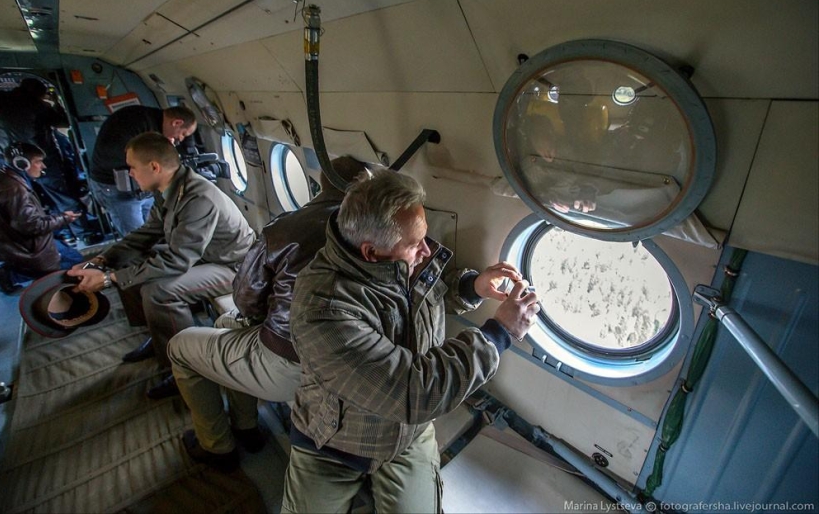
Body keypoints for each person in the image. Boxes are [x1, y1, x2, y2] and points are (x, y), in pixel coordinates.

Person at [281, 168, 540, 513]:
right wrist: (500, 333)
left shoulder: (396, 259)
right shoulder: (323, 309)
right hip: (334, 441)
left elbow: (421, 294)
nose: (426, 251)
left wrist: (471, 286)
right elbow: (413, 391)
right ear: (372, 253)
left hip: (407, 435)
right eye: (415, 244)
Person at [167, 156, 369, 472]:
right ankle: (246, 427)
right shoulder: (378, 236)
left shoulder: (285, 228)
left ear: (319, 183)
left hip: (290, 365)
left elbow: (245, 301)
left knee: (179, 346)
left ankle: (217, 446)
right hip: (349, 358)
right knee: (223, 325)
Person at [68, 132, 255, 399]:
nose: (130, 174)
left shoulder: (198, 197)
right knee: (131, 262)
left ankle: (182, 366)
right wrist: (101, 261)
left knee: (158, 291)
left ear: (154, 167)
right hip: (205, 256)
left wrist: (110, 279)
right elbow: (145, 235)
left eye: (132, 167)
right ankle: (158, 336)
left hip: (236, 267)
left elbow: (178, 260)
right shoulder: (169, 190)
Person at [88, 105, 198, 236]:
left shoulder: (158, 120)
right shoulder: (136, 123)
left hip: (141, 187)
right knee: (137, 236)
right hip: (114, 186)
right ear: (176, 123)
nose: (180, 139)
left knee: (155, 230)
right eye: (183, 134)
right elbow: (125, 156)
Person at [0, 142, 83, 294]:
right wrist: (63, 218)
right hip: (27, 248)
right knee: (75, 262)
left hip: (12, 244)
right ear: (22, 164)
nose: (43, 166)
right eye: (38, 161)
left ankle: (9, 272)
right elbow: (31, 226)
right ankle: (14, 274)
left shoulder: (4, 177)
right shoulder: (15, 190)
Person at [0, 78, 68, 167]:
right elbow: (64, 122)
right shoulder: (37, 106)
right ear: (39, 94)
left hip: (1, 154)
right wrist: (56, 103)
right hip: (35, 157)